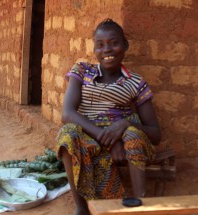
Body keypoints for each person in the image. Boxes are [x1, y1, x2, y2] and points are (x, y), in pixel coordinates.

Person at [56, 18, 162, 215]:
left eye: (114, 43)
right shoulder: (82, 71)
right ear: (94, 49)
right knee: (67, 133)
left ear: (125, 46)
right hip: (91, 137)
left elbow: (155, 134)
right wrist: (107, 140)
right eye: (100, 45)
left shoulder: (135, 82)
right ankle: (81, 208)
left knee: (132, 134)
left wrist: (125, 124)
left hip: (124, 142)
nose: (107, 50)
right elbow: (67, 113)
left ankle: (140, 206)